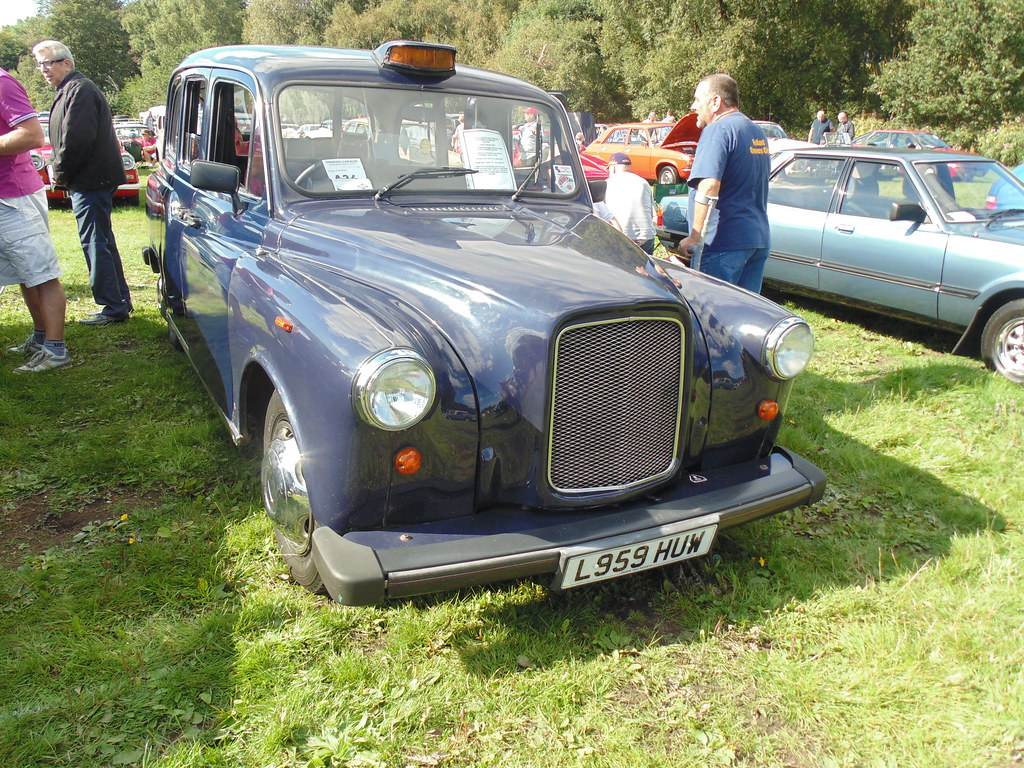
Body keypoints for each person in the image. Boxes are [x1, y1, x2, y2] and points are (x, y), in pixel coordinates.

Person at [32, 40, 132, 325]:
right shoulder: (70, 90)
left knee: (95, 242)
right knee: (101, 240)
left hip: (90, 180)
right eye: (39, 64)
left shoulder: (80, 90)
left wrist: (58, 172)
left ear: (67, 62)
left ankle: (113, 307)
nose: (43, 69)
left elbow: (76, 140)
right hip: (89, 179)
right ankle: (118, 302)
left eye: (48, 62)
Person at [671, 73, 770, 293]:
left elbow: (708, 186)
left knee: (714, 316)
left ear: (715, 102)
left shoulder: (717, 130)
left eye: (697, 99)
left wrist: (695, 236)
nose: (693, 105)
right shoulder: (756, 131)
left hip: (723, 243)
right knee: (745, 317)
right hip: (757, 239)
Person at [0, 67, 71, 372]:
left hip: (14, 196)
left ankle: (56, 351)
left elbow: (32, 135)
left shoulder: (2, 82)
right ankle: (42, 337)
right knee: (22, 274)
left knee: (41, 274)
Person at [603, 153, 657, 255]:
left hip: (624, 237)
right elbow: (652, 213)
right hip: (647, 237)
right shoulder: (643, 182)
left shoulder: (608, 183)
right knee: (648, 268)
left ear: (613, 168)